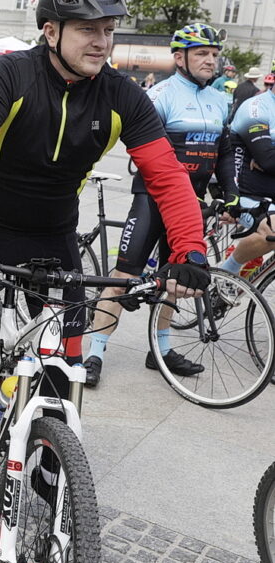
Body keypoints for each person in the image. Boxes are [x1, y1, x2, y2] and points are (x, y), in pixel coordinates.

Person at [0, 0, 210, 524]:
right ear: (51, 31)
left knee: (64, 367)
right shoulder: (11, 75)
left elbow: (166, 175)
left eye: (108, 31)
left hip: (53, 236)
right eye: (87, 30)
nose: (101, 41)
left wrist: (190, 251)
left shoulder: (122, 96)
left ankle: (50, 479)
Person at [83, 23, 238, 387]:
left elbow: (224, 150)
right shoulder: (161, 94)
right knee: (121, 275)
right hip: (152, 200)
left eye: (214, 55)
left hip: (193, 202)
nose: (210, 61)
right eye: (202, 53)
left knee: (179, 280)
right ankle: (95, 352)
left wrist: (228, 190)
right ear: (179, 56)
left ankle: (161, 350)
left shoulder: (220, 99)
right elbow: (146, 157)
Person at [215, 76, 275, 275]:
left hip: (268, 192)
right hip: (245, 192)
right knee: (273, 233)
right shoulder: (257, 107)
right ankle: (227, 272)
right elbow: (268, 160)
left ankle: (249, 264)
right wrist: (266, 160)